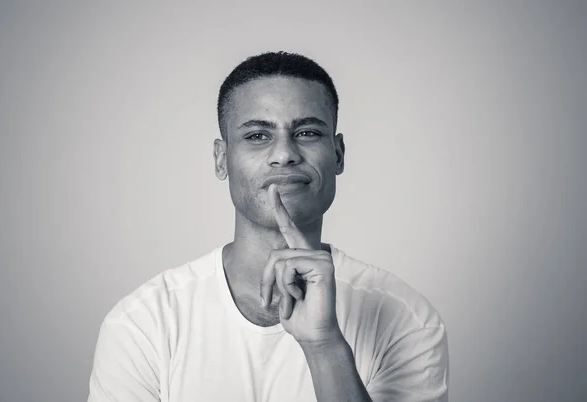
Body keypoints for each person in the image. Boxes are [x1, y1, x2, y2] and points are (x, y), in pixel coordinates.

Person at [87, 51, 449, 402]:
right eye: (258, 135)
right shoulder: (143, 324)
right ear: (221, 158)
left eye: (307, 132)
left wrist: (324, 347)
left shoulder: (406, 318)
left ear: (338, 155)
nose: (284, 154)